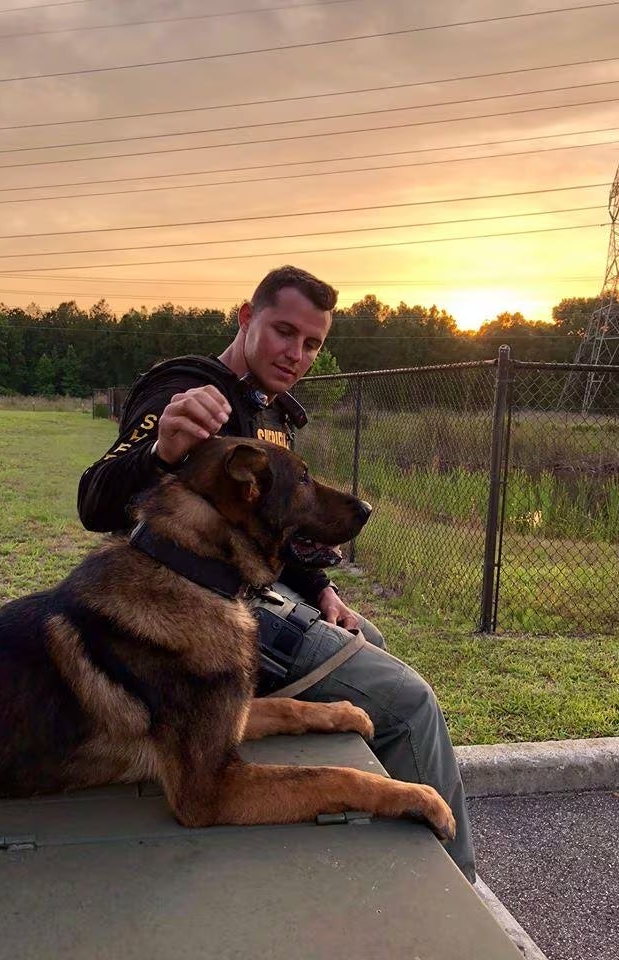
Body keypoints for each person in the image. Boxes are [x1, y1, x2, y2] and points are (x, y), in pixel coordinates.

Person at [77, 265, 476, 882]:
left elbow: (276, 531)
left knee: (370, 640)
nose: (297, 354)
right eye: (283, 332)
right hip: (199, 616)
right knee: (410, 704)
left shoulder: (269, 408)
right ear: (245, 317)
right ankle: (459, 890)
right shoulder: (195, 394)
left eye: (312, 343)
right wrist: (160, 452)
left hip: (260, 593)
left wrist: (323, 591)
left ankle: (379, 867)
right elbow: (95, 502)